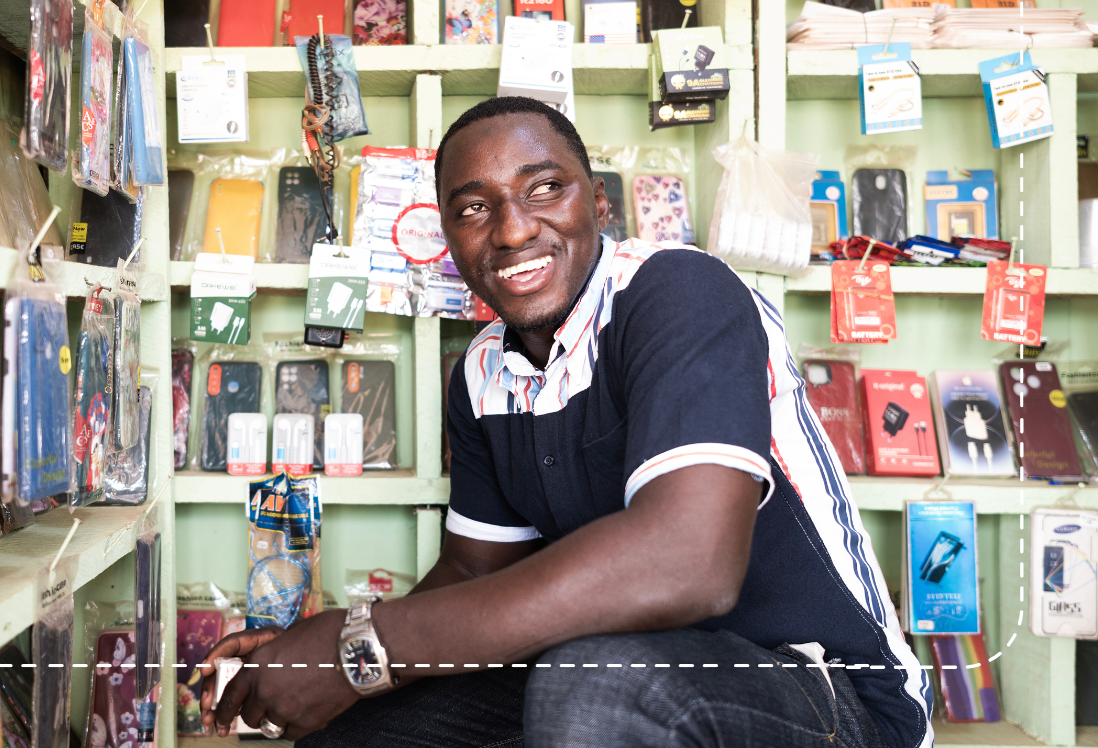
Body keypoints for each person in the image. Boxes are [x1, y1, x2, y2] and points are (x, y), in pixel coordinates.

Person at [198, 96, 931, 748]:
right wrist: (324, 662)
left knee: (599, 685)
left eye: (545, 188)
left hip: (825, 692)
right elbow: (472, 572)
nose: (513, 231)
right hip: (608, 666)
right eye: (475, 207)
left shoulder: (679, 293)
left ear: (599, 204)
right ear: (449, 237)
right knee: (359, 734)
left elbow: (687, 563)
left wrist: (363, 650)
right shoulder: (483, 372)